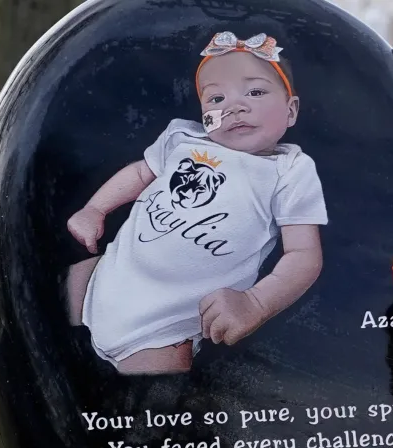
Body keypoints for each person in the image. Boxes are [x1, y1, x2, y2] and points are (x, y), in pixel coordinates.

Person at [65, 31, 327, 374]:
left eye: (256, 91)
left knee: (147, 401)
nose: (234, 106)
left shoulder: (289, 171)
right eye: (216, 99)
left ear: (291, 111)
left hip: (164, 327)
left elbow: (303, 256)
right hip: (105, 275)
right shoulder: (182, 138)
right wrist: (95, 208)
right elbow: (140, 174)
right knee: (36, 322)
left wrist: (255, 303)